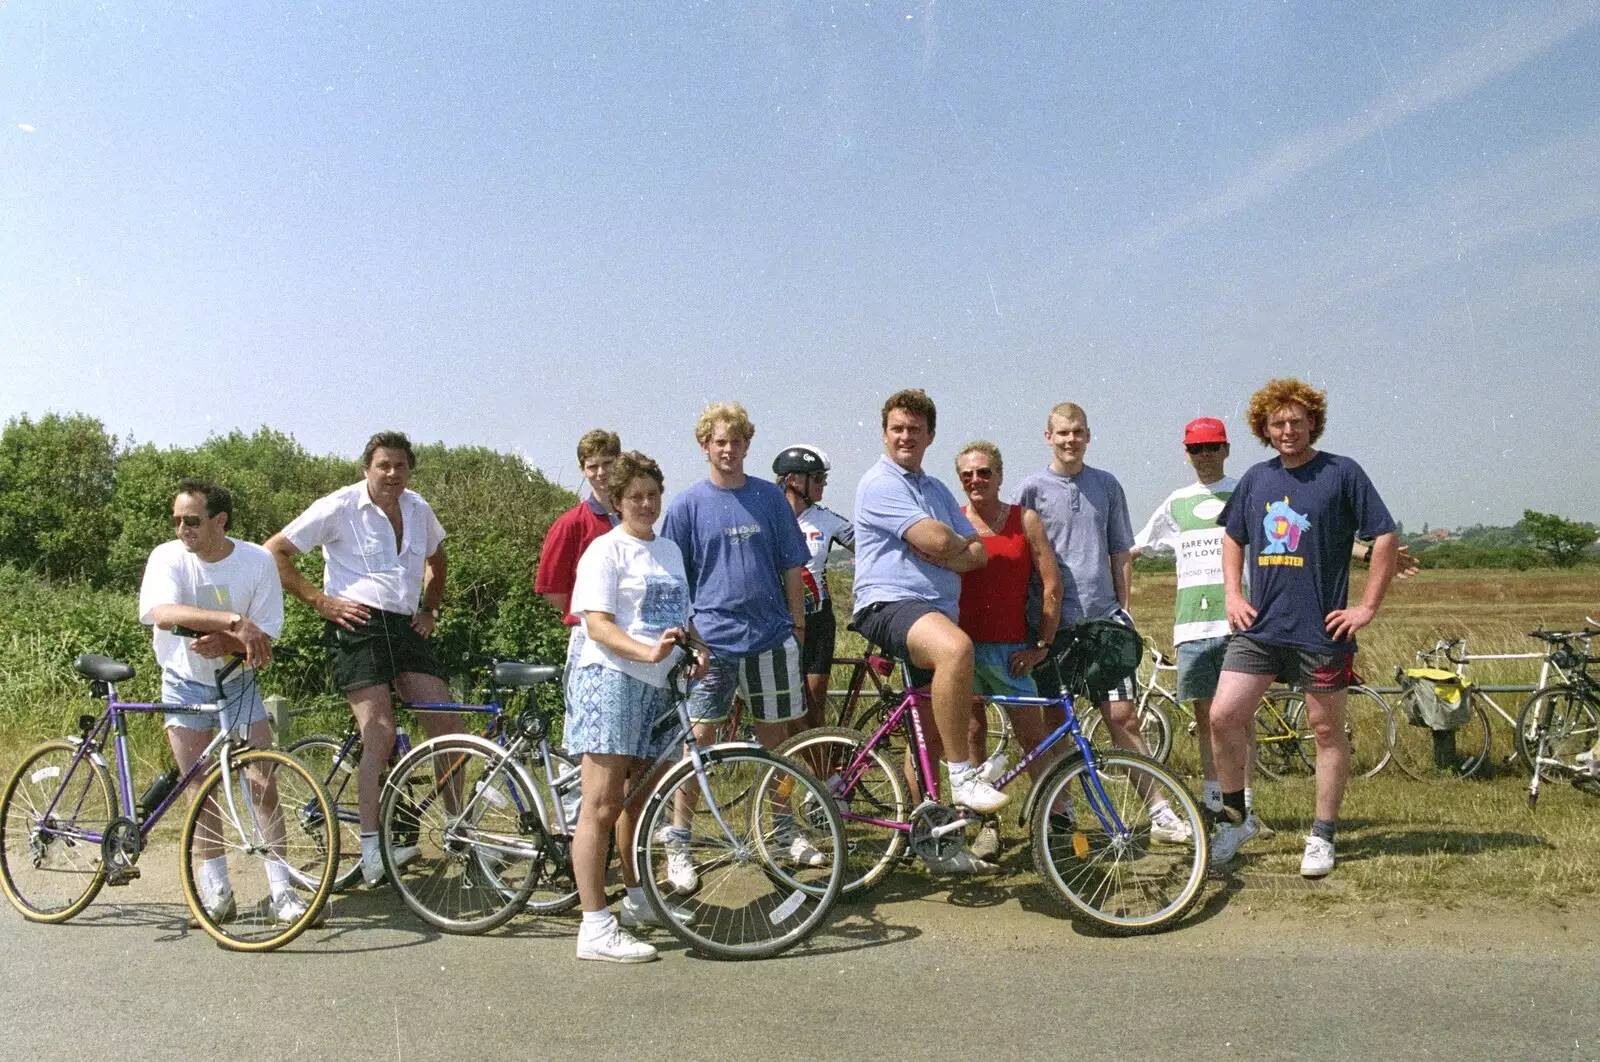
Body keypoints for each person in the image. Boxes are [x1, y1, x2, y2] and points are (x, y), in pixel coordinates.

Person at [1132, 417, 1420, 832]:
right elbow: (1139, 546)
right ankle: (1225, 812)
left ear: (1226, 448)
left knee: (1292, 724)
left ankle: (1287, 822)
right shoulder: (1192, 497)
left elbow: (1317, 529)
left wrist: (1372, 570)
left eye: (1212, 446)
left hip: (1284, 624)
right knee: (1214, 716)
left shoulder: (1269, 481)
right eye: (1197, 448)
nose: (1205, 455)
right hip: (1217, 624)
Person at [1205, 379, 1400, 878]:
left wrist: (1366, 608)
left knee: (1325, 729)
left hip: (1322, 630)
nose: (1288, 430)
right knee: (1224, 716)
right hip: (1261, 627)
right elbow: (1233, 537)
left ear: (1312, 421)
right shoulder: (1255, 479)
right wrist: (1232, 593)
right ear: (1264, 430)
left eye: (1296, 420)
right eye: (1277, 423)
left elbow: (1384, 537)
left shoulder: (1341, 472)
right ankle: (1235, 819)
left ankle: (1322, 835)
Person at [263, 431, 458, 887]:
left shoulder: (417, 507)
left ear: (410, 470)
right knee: (381, 733)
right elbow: (276, 551)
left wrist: (430, 608)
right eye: (383, 466)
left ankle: (457, 830)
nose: (392, 475)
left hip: (405, 625)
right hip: (356, 624)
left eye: (401, 467)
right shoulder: (338, 507)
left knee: (448, 724)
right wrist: (319, 601)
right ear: (366, 468)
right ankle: (372, 848)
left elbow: (438, 559)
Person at [1018, 402, 1193, 843]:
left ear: (1088, 435)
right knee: (1057, 720)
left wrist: (1124, 610)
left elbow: (1120, 552)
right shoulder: (1031, 490)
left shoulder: (1107, 485)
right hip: (1053, 627)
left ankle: (1160, 812)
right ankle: (1062, 810)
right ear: (1048, 436)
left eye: (1077, 432)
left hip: (1101, 625)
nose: (1070, 441)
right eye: (1062, 433)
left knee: (1123, 718)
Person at [138, 478, 310, 925]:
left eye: (191, 521)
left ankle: (282, 892)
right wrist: (234, 621)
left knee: (263, 785)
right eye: (176, 519)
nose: (181, 529)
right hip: (183, 680)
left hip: (237, 683)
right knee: (201, 792)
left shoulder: (256, 561)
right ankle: (216, 894)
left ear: (220, 521)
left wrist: (231, 643)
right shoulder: (167, 557)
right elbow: (163, 613)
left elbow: (266, 637)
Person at [661, 403, 820, 877]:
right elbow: (673, 578)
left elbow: (793, 566)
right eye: (720, 441)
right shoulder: (687, 505)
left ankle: (783, 831)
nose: (728, 450)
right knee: (699, 744)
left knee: (779, 746)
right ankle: (679, 841)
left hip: (770, 637)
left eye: (737, 441)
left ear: (749, 444)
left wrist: (797, 625)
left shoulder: (770, 499)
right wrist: (690, 638)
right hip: (712, 644)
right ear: (705, 445)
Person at [566, 451, 708, 963]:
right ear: (617, 501)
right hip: (611, 678)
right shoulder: (606, 552)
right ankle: (594, 927)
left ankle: (638, 898)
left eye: (652, 495)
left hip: (659, 684)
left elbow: (680, 617)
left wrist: (698, 649)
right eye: (634, 497)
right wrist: (647, 651)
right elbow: (597, 624)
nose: (645, 504)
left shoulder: (668, 549)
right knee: (601, 805)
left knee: (639, 801)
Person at [852, 388, 1009, 828]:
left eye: (915, 430)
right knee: (956, 650)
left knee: (928, 735)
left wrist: (946, 549)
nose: (906, 437)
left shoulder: (936, 489)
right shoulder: (879, 482)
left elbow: (978, 554)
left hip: (933, 610)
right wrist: (948, 547)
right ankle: (963, 778)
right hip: (890, 604)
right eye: (897, 429)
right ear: (884, 434)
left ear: (930, 436)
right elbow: (944, 542)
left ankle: (928, 834)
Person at [953, 442, 1062, 860]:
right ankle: (986, 828)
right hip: (963, 649)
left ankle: (1047, 827)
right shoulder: (954, 520)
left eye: (983, 472)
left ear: (999, 475)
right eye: (967, 475)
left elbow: (1051, 585)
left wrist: (1041, 646)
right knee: (971, 734)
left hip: (1013, 650)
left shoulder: (1025, 520)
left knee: (1033, 738)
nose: (975, 481)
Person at [773, 444, 855, 729]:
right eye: (818, 478)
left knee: (813, 702)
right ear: (795, 480)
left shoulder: (827, 519)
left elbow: (869, 548)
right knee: (783, 705)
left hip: (818, 621)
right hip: (780, 621)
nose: (824, 484)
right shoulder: (768, 516)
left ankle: (821, 772)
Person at [535, 429, 622, 681]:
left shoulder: (633, 516)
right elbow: (554, 593)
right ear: (582, 470)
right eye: (592, 466)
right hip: (588, 634)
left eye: (608, 463)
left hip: (630, 633)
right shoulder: (570, 524)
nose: (601, 473)